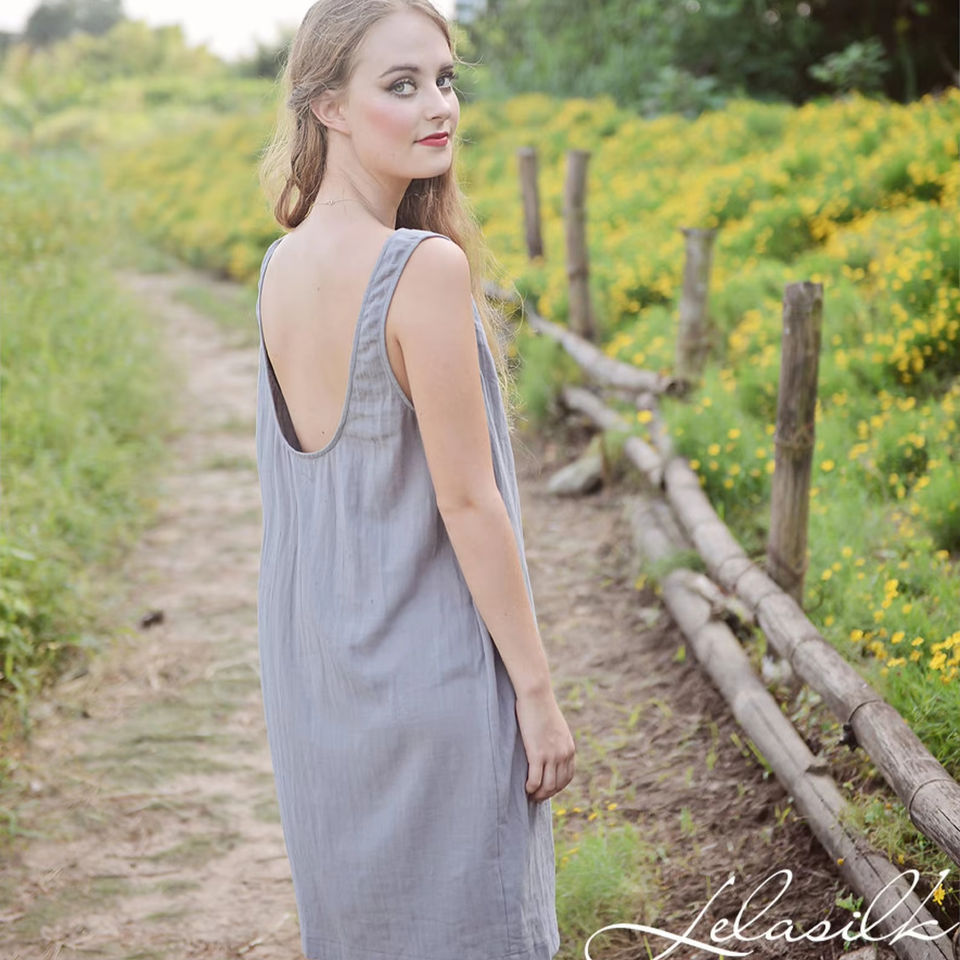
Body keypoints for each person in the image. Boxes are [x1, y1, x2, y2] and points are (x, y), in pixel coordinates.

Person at [253, 1, 575, 958]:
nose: (439, 105)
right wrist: (537, 694)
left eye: (444, 79)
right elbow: (468, 502)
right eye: (401, 84)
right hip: (430, 680)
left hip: (319, 687)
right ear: (329, 107)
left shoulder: (280, 265)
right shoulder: (420, 267)